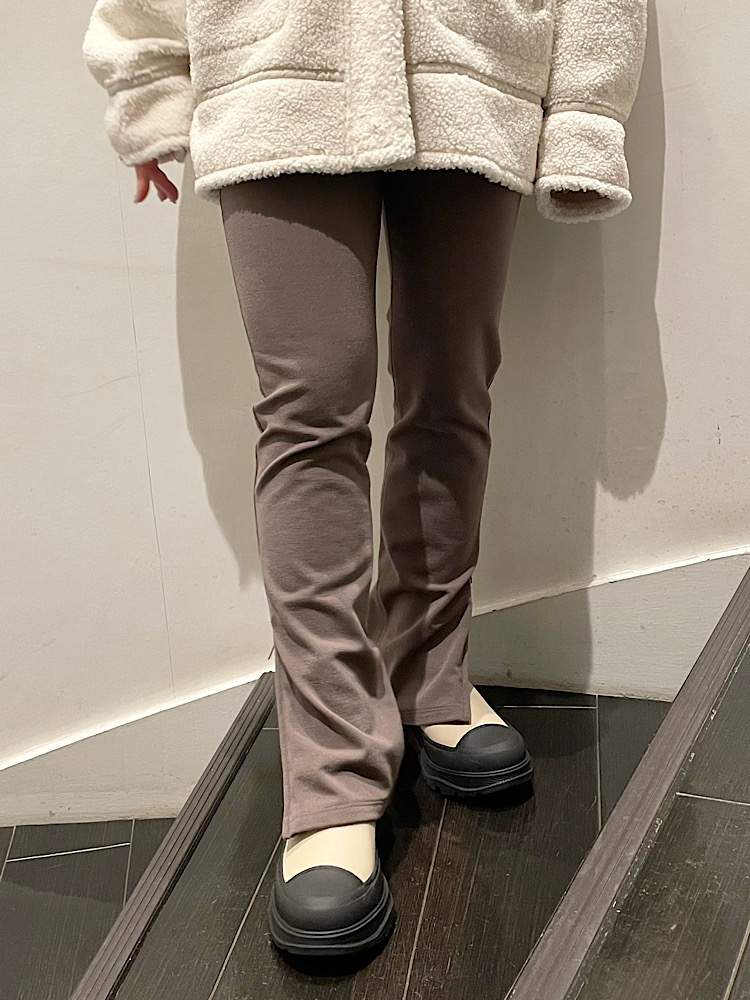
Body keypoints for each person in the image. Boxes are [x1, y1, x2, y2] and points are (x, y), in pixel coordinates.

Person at [82, 0, 647, 961]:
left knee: (453, 391)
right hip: (275, 60)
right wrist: (148, 75)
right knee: (309, 416)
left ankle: (430, 669)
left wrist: (585, 113)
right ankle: (330, 772)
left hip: (476, 58)